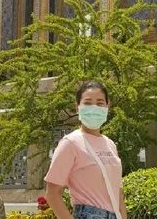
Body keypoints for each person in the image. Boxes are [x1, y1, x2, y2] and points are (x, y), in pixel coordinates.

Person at [44, 81, 126, 219]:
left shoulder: (110, 144)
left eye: (100, 103)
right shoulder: (70, 143)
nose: (94, 108)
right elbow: (52, 193)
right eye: (88, 103)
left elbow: (117, 191)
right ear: (77, 107)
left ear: (107, 106)